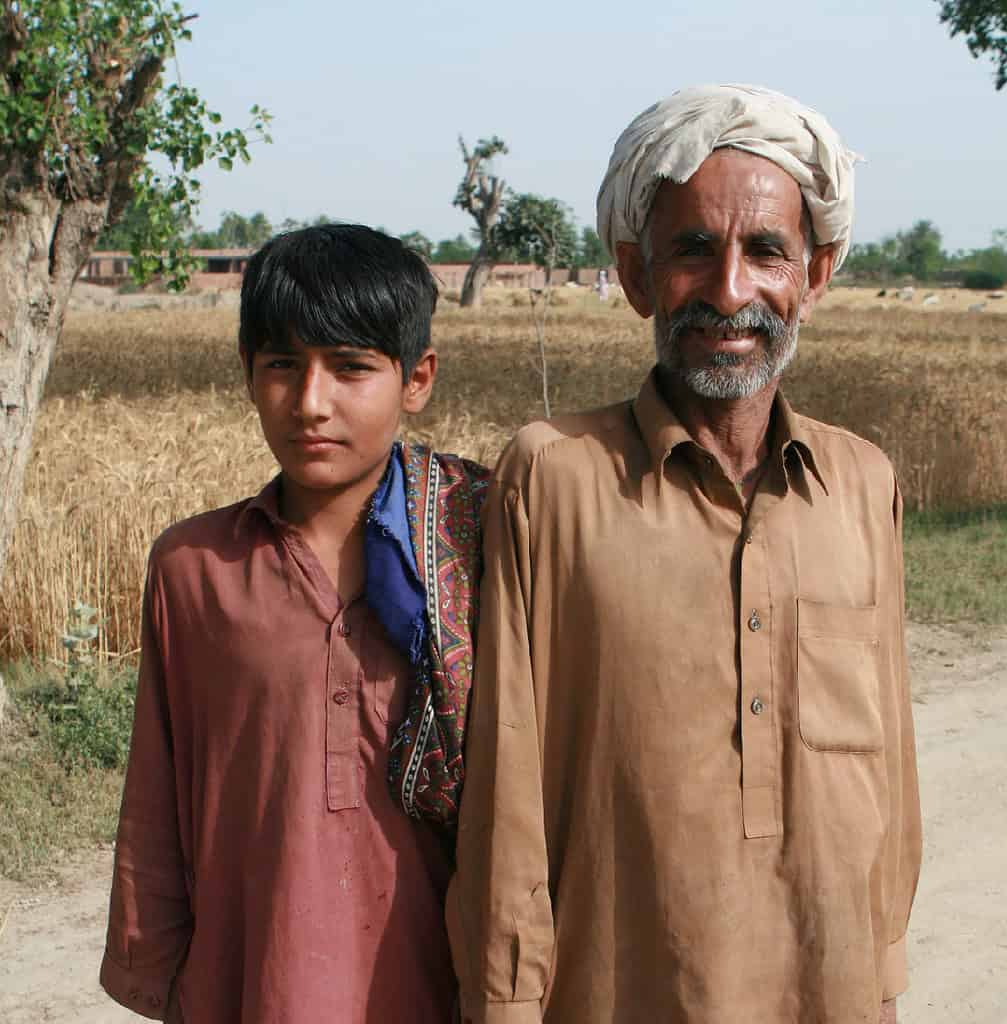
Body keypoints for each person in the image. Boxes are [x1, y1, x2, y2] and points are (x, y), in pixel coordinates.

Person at [448, 85, 922, 1024]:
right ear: (634, 275)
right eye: (694, 249)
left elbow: (891, 774)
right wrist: (504, 999)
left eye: (766, 251)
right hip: (617, 988)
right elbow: (508, 780)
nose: (731, 291)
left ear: (815, 275)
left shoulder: (863, 484)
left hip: (828, 989)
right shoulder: (555, 476)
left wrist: (881, 968)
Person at [100, 224, 488, 1022]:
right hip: (254, 981)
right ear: (248, 374)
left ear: (417, 379)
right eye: (283, 365)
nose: (311, 403)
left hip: (437, 983)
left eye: (351, 368)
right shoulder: (195, 568)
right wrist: (161, 973)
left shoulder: (483, 548)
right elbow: (157, 796)